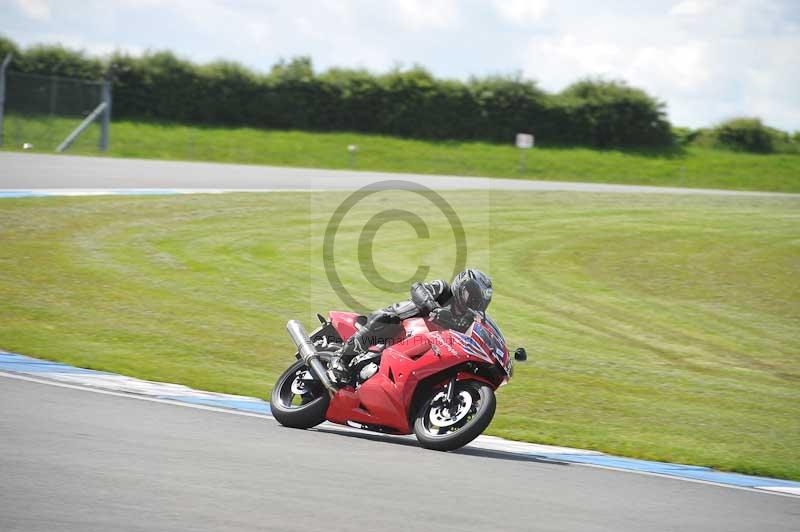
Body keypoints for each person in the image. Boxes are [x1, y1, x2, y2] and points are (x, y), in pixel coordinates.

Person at [327, 268, 493, 385]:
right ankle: (341, 358)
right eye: (472, 295)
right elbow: (417, 288)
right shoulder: (444, 290)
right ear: (461, 287)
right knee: (388, 319)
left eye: (478, 300)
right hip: (401, 326)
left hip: (424, 347)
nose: (473, 301)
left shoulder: (468, 320)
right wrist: (433, 308)